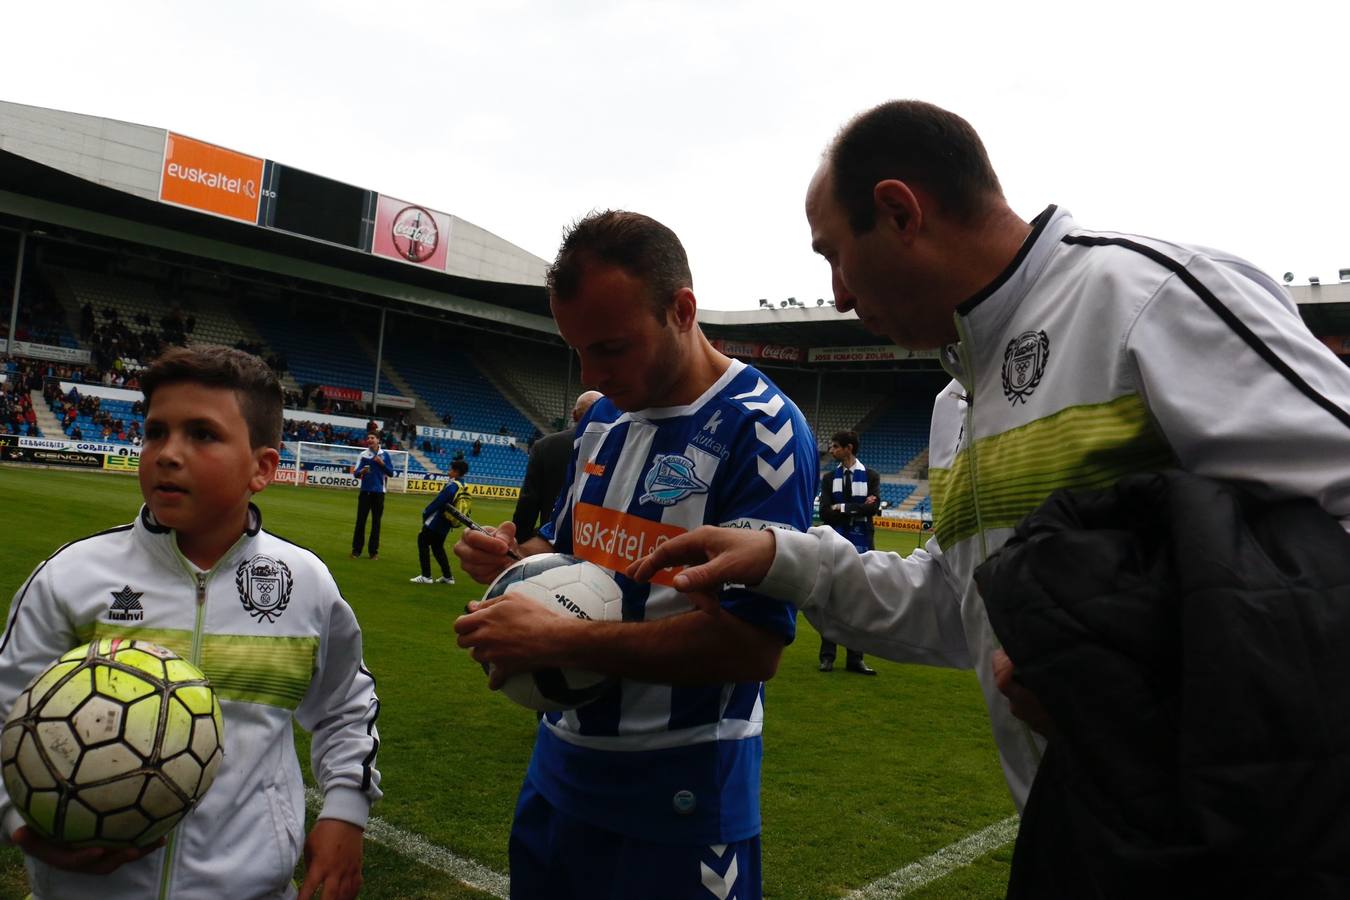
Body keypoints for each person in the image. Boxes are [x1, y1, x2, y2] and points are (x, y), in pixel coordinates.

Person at [627, 99, 1350, 815]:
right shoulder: (956, 403)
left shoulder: (1145, 297)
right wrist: (780, 558)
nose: (839, 296)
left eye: (835, 255)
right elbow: (955, 606)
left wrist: (1138, 670)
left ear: (901, 211)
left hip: (1265, 839)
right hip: (1086, 836)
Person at [452, 210, 818, 899]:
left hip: (679, 796)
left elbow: (751, 647)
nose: (591, 374)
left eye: (612, 349)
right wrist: (508, 560)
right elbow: (570, 557)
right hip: (558, 773)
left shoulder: (763, 432)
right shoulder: (605, 423)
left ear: (682, 310)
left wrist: (555, 638)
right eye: (578, 352)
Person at [0, 345, 380, 899]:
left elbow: (347, 706)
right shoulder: (70, 577)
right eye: (156, 431)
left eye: (202, 434)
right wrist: (20, 819)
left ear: (262, 468)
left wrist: (346, 810)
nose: (167, 454)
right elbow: (6, 709)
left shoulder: (304, 584)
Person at [816, 430, 878, 675]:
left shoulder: (872, 476)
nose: (831, 450)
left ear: (848, 448)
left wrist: (840, 507)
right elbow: (825, 513)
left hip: (862, 544)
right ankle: (827, 656)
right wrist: (859, 508)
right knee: (830, 597)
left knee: (858, 600)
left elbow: (873, 510)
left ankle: (855, 658)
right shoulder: (829, 478)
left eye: (835, 446)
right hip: (835, 543)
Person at [510, 389, 603, 541]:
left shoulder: (545, 446)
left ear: (573, 415)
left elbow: (528, 503)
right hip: (594, 542)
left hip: (550, 541)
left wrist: (519, 543)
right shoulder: (616, 448)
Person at [410, 459, 469, 585]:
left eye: (451, 469)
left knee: (422, 541)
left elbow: (438, 502)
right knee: (437, 547)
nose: (449, 471)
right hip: (447, 522)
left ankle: (426, 576)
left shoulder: (452, 486)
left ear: (456, 472)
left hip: (437, 520)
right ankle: (448, 576)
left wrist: (425, 513)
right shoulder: (464, 486)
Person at [349, 432, 393, 559]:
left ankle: (373, 552)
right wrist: (362, 471)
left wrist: (382, 463)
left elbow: (391, 473)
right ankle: (356, 550)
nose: (369, 440)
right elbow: (356, 473)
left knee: (376, 523)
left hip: (379, 493)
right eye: (368, 438)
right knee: (360, 522)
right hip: (365, 492)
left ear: (378, 440)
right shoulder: (363, 455)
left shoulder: (385, 455)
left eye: (372, 438)